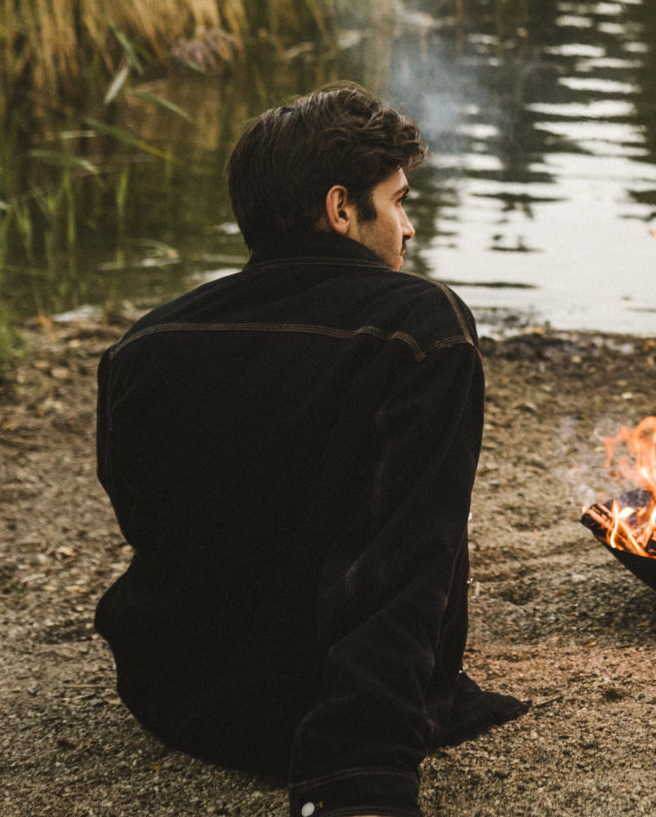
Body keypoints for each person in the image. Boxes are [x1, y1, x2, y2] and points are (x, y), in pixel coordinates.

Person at [94, 85, 525, 817]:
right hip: (310, 719)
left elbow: (151, 525)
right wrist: (359, 776)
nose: (409, 228)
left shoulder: (146, 342)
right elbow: (408, 557)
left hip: (175, 701)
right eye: (396, 202)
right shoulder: (419, 327)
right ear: (340, 210)